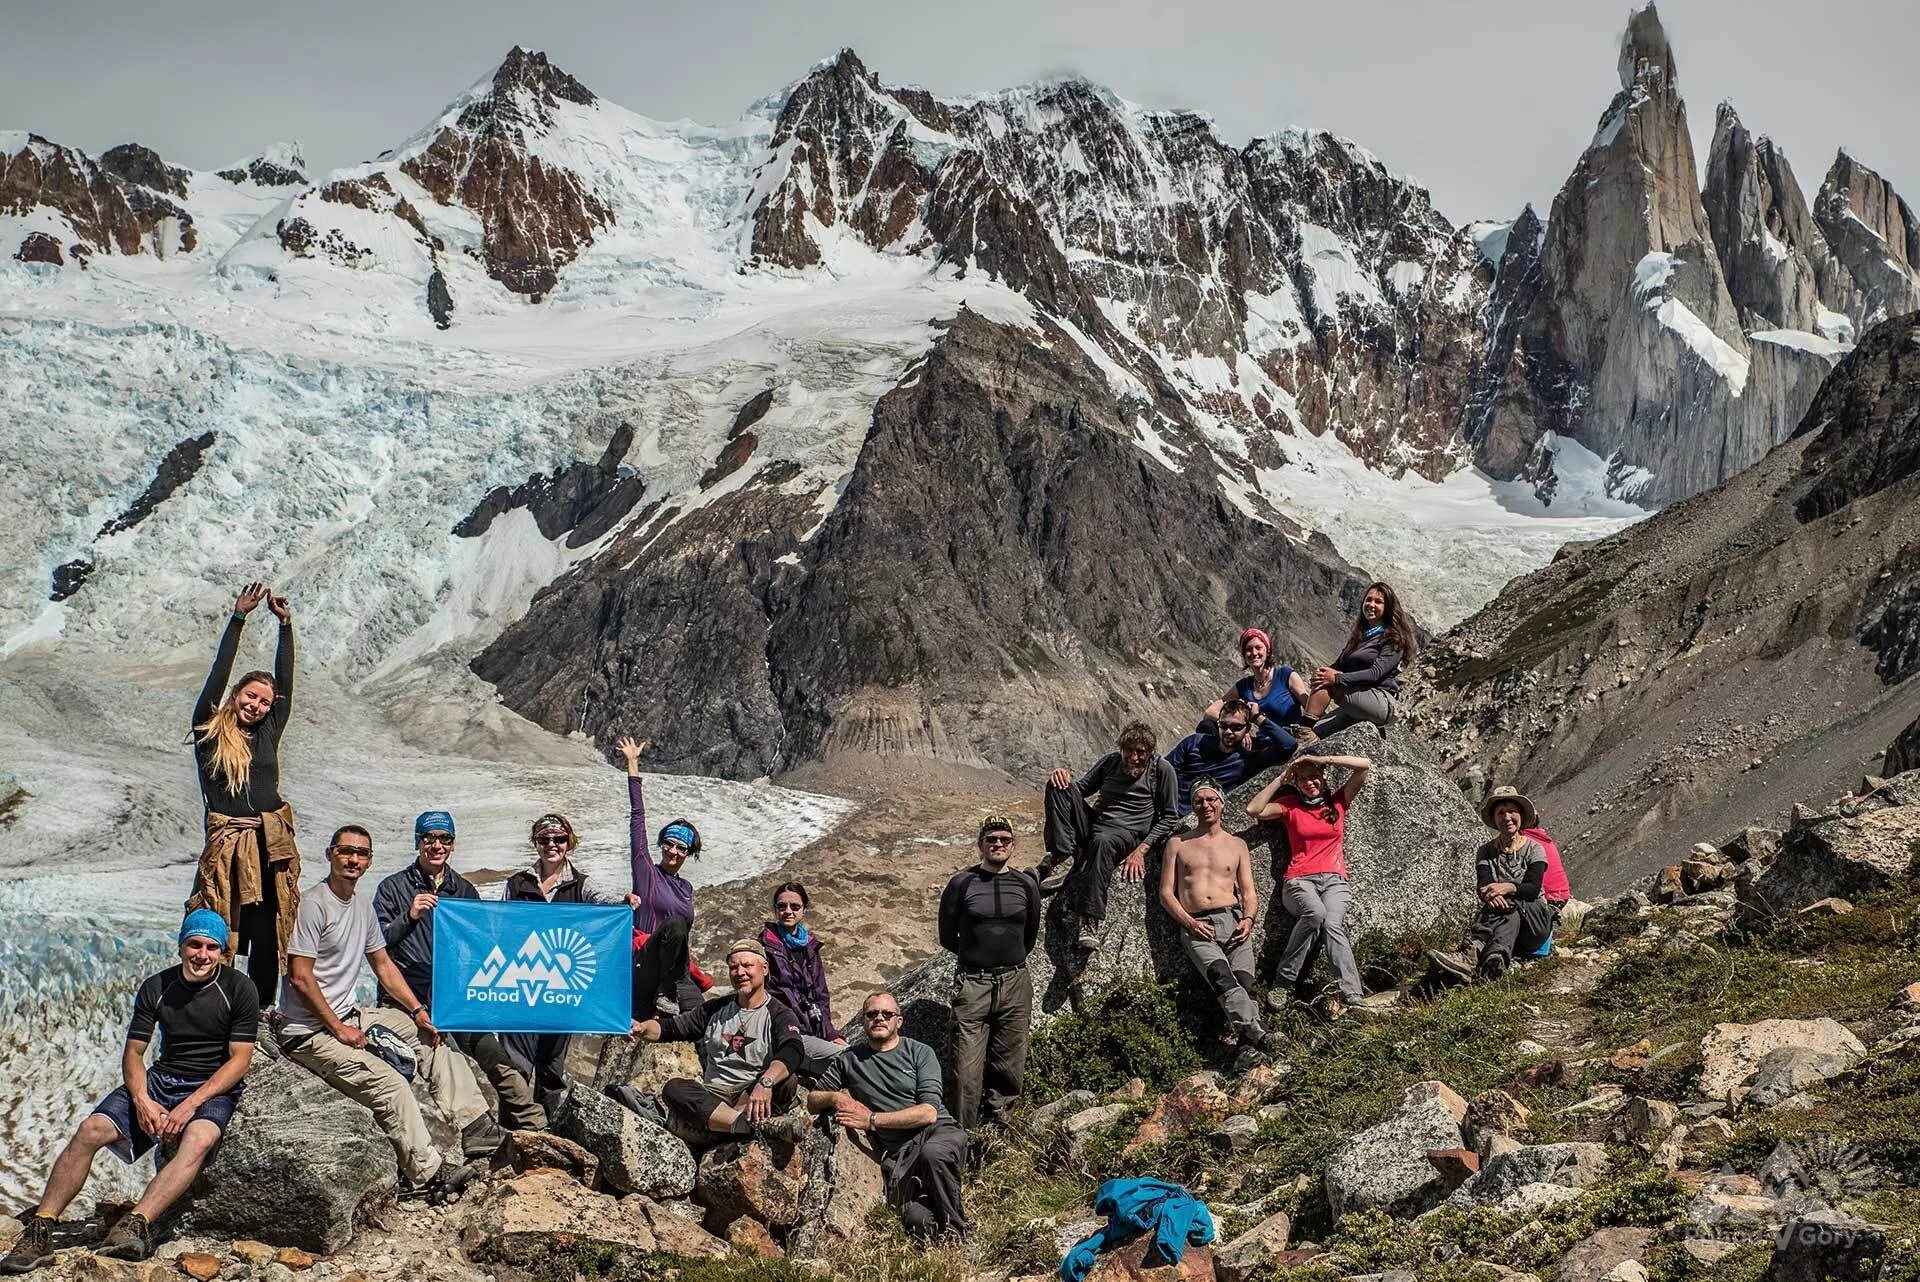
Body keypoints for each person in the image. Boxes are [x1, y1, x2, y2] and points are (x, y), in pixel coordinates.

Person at [1, 911, 258, 1271]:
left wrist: (189, 1106)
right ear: (181, 946)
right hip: (162, 1079)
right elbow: (135, 1052)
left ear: (222, 952)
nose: (202, 954)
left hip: (211, 1088)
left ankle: (136, 1223)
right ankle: (42, 1229)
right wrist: (141, 1099)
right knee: (91, 1130)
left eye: (211, 947)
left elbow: (239, 1060)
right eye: (194, 945)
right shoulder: (157, 986)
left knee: (198, 1139)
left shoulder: (239, 989)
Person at [279, 825, 491, 1203]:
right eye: (346, 851)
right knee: (390, 1084)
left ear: (369, 860)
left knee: (429, 1036)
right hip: (308, 1031)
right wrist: (338, 1028)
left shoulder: (361, 905)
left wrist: (416, 1009)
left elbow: (383, 965)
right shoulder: (314, 903)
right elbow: (299, 977)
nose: (353, 859)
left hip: (350, 1014)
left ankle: (477, 1125)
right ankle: (428, 1172)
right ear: (330, 854)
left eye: (361, 853)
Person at [372, 810, 542, 1132]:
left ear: (452, 845)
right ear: (418, 842)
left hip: (455, 996)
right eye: (429, 838)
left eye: (444, 839)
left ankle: (533, 1125)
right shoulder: (393, 888)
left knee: (492, 1054)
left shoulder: (463, 890)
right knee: (414, 1068)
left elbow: (481, 945)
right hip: (406, 999)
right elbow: (376, 943)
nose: (437, 845)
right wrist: (409, 916)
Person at [185, 581, 300, 1009]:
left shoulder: (269, 731)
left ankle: (262, 1009)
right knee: (224, 922)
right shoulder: (208, 733)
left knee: (269, 930)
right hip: (229, 845)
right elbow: (217, 673)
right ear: (235, 697)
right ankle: (220, 1008)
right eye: (251, 695)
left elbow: (286, 680)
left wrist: (285, 626)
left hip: (270, 845)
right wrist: (239, 618)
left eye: (265, 701)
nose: (257, 704)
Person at [497, 811, 642, 1124]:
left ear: (569, 842)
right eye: (544, 839)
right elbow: (499, 924)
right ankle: (511, 1131)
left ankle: (545, 1132)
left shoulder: (580, 884)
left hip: (560, 989)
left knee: (551, 1065)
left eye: (559, 839)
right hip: (520, 986)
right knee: (515, 1063)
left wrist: (623, 900)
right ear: (535, 843)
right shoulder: (517, 883)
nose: (552, 844)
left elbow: (602, 900)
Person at [807, 991, 969, 1242]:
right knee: (917, 1221)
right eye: (872, 1014)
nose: (879, 1019)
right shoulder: (849, 1059)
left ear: (899, 1021)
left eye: (887, 1014)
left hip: (937, 1133)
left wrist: (871, 1120)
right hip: (899, 1156)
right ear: (863, 1020)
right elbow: (812, 1100)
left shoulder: (919, 1052)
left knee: (933, 1154)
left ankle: (959, 1235)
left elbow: (928, 1112)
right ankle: (940, 1209)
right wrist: (836, 1098)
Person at [628, 939, 809, 1148]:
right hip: (714, 1096)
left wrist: (765, 1083)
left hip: (750, 1095)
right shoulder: (715, 1009)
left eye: (747, 965)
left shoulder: (780, 1014)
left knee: (788, 1081)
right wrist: (641, 1028)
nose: (740, 972)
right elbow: (670, 1028)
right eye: (734, 967)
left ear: (764, 968)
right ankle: (750, 1126)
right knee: (674, 1088)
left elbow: (793, 1049)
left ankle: (718, 1127)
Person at [1158, 778, 1282, 1070]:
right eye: (1199, 800)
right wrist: (1188, 922)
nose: (1205, 805)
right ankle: (1259, 1032)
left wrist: (1249, 919)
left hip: (1233, 920)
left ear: (1222, 802)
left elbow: (1249, 892)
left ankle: (1244, 1053)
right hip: (1197, 926)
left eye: (1211, 799)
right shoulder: (1178, 843)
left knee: (1246, 985)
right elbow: (1166, 893)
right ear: (1193, 805)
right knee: (1222, 980)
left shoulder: (1237, 844)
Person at [1247, 754, 1373, 1017]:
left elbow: (1364, 766)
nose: (1309, 782)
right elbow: (1254, 809)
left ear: (1323, 777)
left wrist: (1321, 758)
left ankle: (1352, 993)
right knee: (1315, 914)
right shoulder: (1290, 806)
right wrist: (1284, 776)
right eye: (1302, 779)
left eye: (1313, 776)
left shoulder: (1338, 802)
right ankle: (1284, 980)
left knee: (1332, 924)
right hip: (1299, 880)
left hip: (1335, 880)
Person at [938, 815, 1041, 1130]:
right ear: (980, 844)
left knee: (1010, 1062)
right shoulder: (961, 883)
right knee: (964, 1068)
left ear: (1013, 845)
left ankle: (999, 1129)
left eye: (1004, 839)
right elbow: (946, 936)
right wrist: (977, 961)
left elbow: (1030, 936)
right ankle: (961, 1135)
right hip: (973, 983)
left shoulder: (1026, 884)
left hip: (1015, 981)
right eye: (991, 839)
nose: (998, 844)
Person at [1040, 722, 1181, 949]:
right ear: (1121, 749)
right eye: (1129, 750)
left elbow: (1169, 817)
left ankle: (1090, 919)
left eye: (1140, 752)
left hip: (1126, 834)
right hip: (1096, 823)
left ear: (1150, 752)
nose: (1134, 757)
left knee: (1102, 842)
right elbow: (1081, 789)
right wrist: (1063, 776)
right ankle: (1062, 855)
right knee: (1057, 786)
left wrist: (1141, 850)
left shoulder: (1161, 770)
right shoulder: (1110, 762)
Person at [618, 736, 716, 1017]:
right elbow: (637, 818)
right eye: (669, 844)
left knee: (700, 1018)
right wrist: (633, 763)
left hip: (675, 973)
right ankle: (661, 994)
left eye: (681, 847)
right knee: (674, 924)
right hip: (644, 963)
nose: (673, 851)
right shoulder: (646, 871)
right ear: (661, 845)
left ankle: (670, 992)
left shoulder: (686, 888)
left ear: (689, 853)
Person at [1299, 582, 1416, 742]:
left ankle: (1304, 730)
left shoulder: (1394, 638)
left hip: (1380, 701)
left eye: (1378, 601)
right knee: (1318, 734)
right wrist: (1323, 672)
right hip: (1358, 699)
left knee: (1329, 681)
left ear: (1388, 607)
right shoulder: (1360, 636)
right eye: (1368, 600)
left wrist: (1337, 679)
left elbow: (1375, 674)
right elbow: (1337, 666)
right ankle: (1305, 738)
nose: (1371, 605)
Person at [1466, 788, 1557, 979]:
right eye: (1500, 813)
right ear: (1494, 819)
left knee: (1510, 906)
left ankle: (1474, 952)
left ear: (1521, 816)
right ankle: (1495, 959)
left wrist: (1506, 887)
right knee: (1508, 909)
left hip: (1535, 921)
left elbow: (1532, 890)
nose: (1507, 817)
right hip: (1506, 922)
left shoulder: (1535, 849)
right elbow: (1483, 885)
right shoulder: (1485, 851)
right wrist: (1490, 894)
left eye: (1512, 812)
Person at [757, 882, 848, 1074]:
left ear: (804, 910)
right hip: (785, 1035)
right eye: (782, 906)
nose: (788, 911)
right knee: (849, 1060)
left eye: (795, 906)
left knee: (853, 1055)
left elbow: (821, 995)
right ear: (775, 910)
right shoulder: (763, 948)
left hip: (812, 1030)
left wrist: (830, 1033)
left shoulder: (809, 947)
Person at [1166, 699, 1289, 814]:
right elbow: (1163, 770)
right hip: (1168, 808)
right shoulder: (1195, 742)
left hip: (1200, 818)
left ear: (1247, 729)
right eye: (1224, 726)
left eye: (1236, 727)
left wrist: (1257, 717)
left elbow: (1289, 745)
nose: (1229, 731)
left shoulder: (1247, 760)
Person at [1206, 628, 1309, 758]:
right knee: (1207, 727)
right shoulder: (1244, 685)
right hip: (1262, 744)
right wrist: (1238, 728)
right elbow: (1210, 712)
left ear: (1267, 650)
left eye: (1258, 648)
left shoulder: (1286, 675)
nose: (1254, 653)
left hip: (1287, 741)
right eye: (1248, 649)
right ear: (1244, 655)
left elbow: (1310, 707)